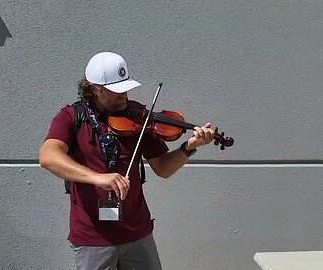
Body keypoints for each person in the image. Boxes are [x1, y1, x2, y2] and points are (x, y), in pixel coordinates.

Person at [38, 52, 215, 270]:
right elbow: (48, 156)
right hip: (92, 237)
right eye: (116, 90)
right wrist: (97, 178)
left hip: (137, 233)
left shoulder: (138, 116)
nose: (124, 95)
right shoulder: (72, 116)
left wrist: (189, 147)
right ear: (95, 89)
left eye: (125, 88)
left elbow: (163, 168)